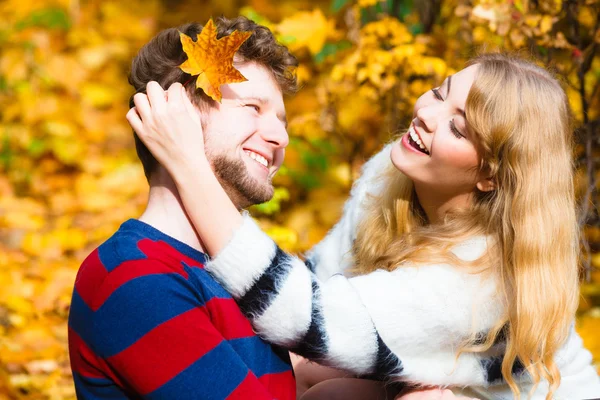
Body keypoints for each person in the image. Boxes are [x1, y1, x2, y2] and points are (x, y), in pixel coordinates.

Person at [128, 52, 600, 400]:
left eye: (458, 128)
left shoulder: (481, 279)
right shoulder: (394, 175)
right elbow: (319, 282)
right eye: (439, 93)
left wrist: (188, 163)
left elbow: (309, 317)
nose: (426, 116)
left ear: (490, 175)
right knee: (322, 386)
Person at [67, 16, 300, 399]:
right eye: (254, 108)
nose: (281, 137)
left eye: (281, 121)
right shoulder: (132, 275)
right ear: (177, 112)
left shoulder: (236, 273)